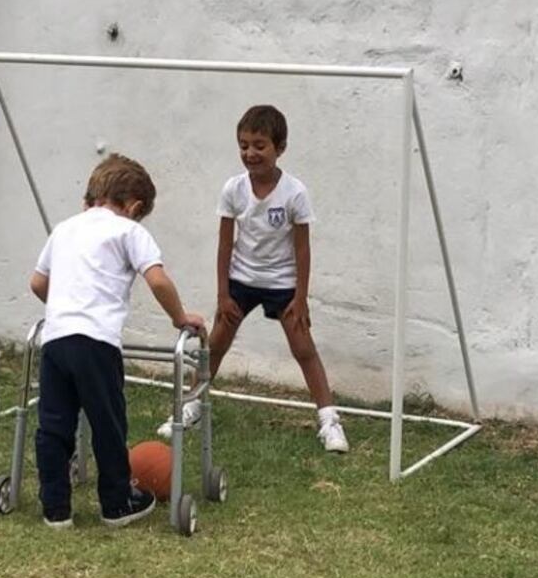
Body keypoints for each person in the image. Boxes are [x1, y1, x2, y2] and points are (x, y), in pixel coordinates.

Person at [157, 105, 349, 453]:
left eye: (259, 145)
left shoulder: (295, 193)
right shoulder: (233, 189)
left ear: (280, 148)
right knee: (214, 345)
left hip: (283, 284)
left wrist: (301, 297)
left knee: (303, 349)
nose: (250, 153)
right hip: (240, 281)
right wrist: (222, 295)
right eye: (244, 145)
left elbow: (303, 250)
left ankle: (329, 421)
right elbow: (224, 243)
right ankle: (190, 407)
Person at [31, 153, 205, 529]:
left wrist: (67, 305)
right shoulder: (130, 231)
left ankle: (55, 507)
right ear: (134, 207)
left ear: (90, 197)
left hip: (56, 338)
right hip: (96, 342)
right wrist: (180, 317)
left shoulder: (63, 229)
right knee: (107, 422)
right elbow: (157, 280)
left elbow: (38, 283)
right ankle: (116, 503)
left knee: (53, 423)